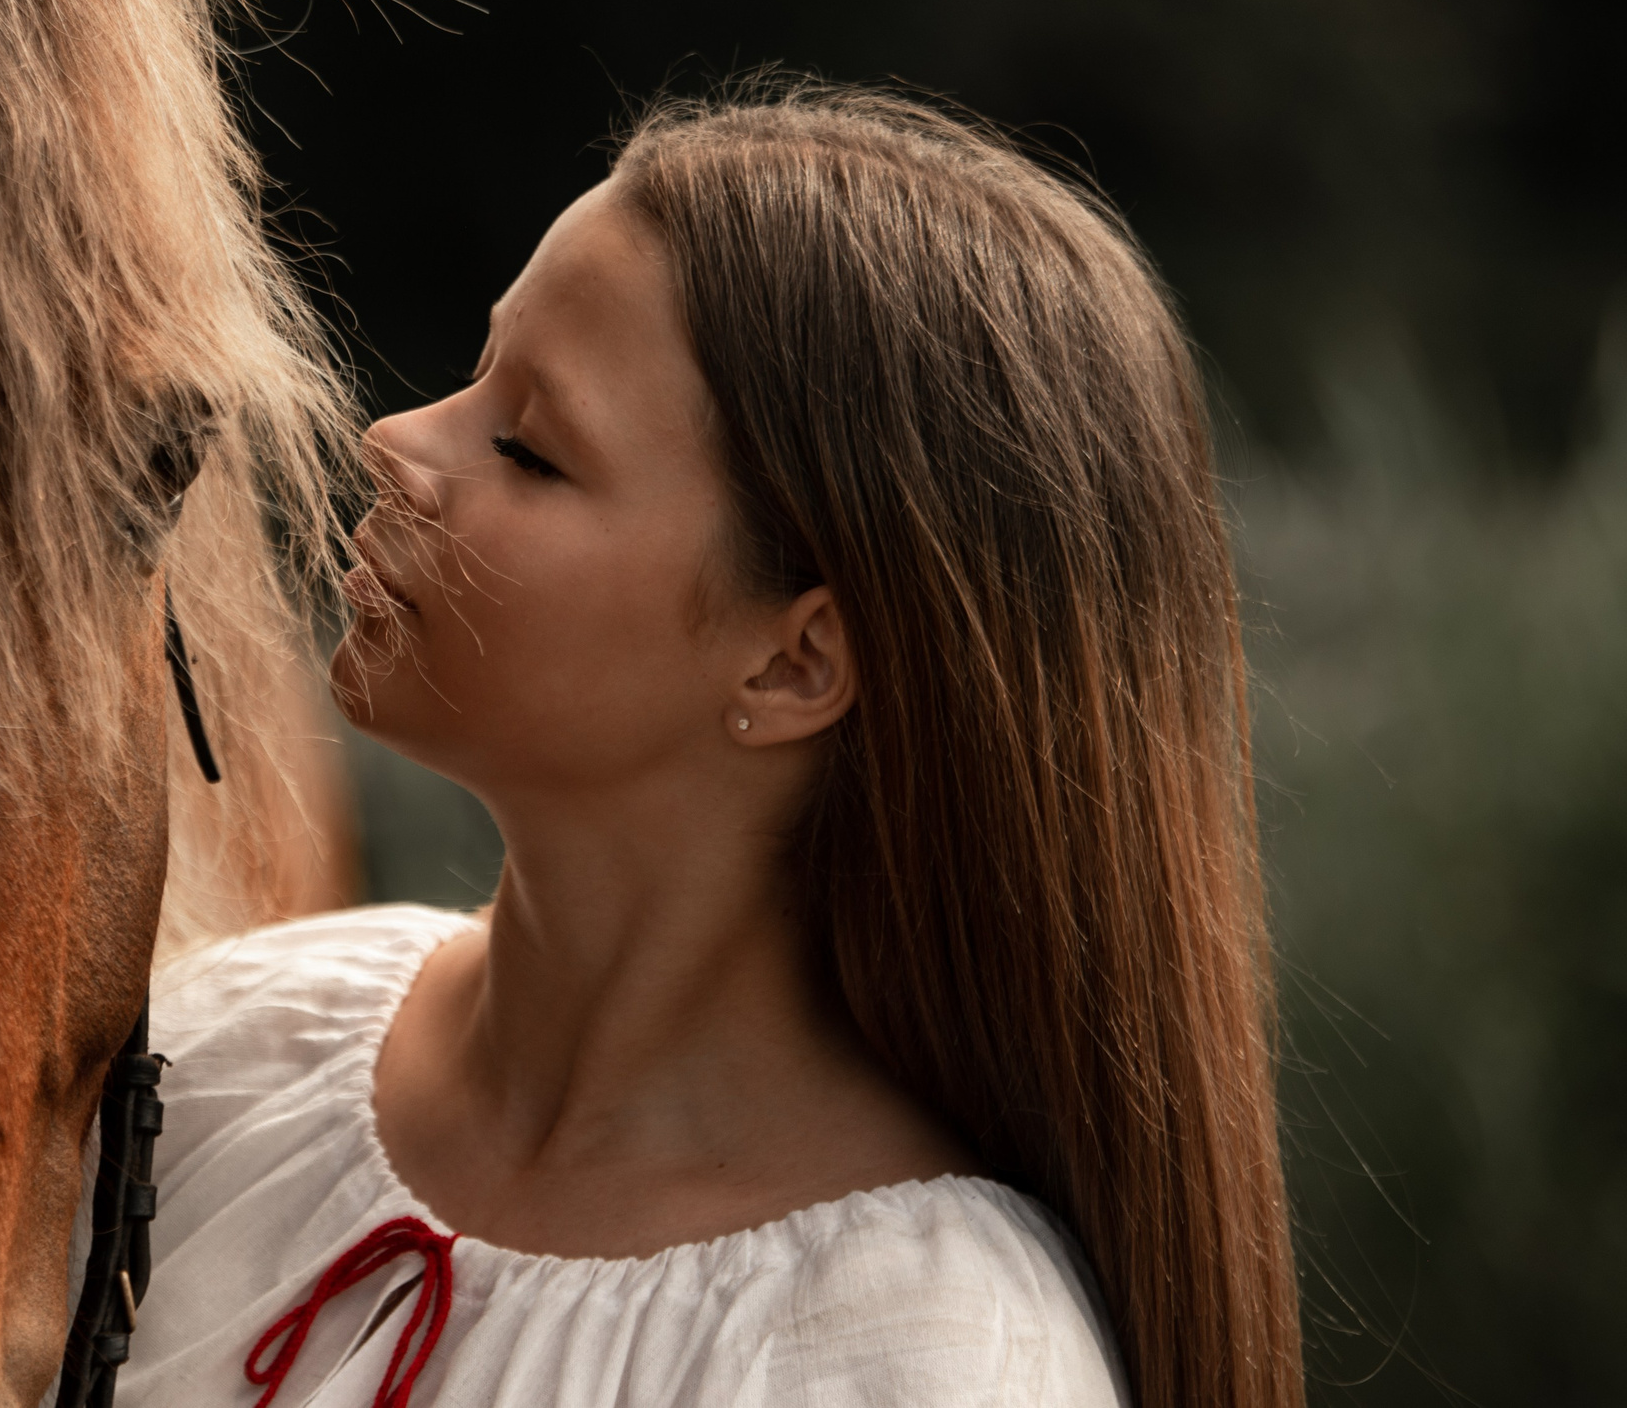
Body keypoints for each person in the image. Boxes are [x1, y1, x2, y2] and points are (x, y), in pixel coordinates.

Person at [111, 84, 1303, 1408]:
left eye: (529, 447)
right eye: (474, 371)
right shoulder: (227, 1053)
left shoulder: (913, 1353)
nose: (397, 442)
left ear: (794, 662)